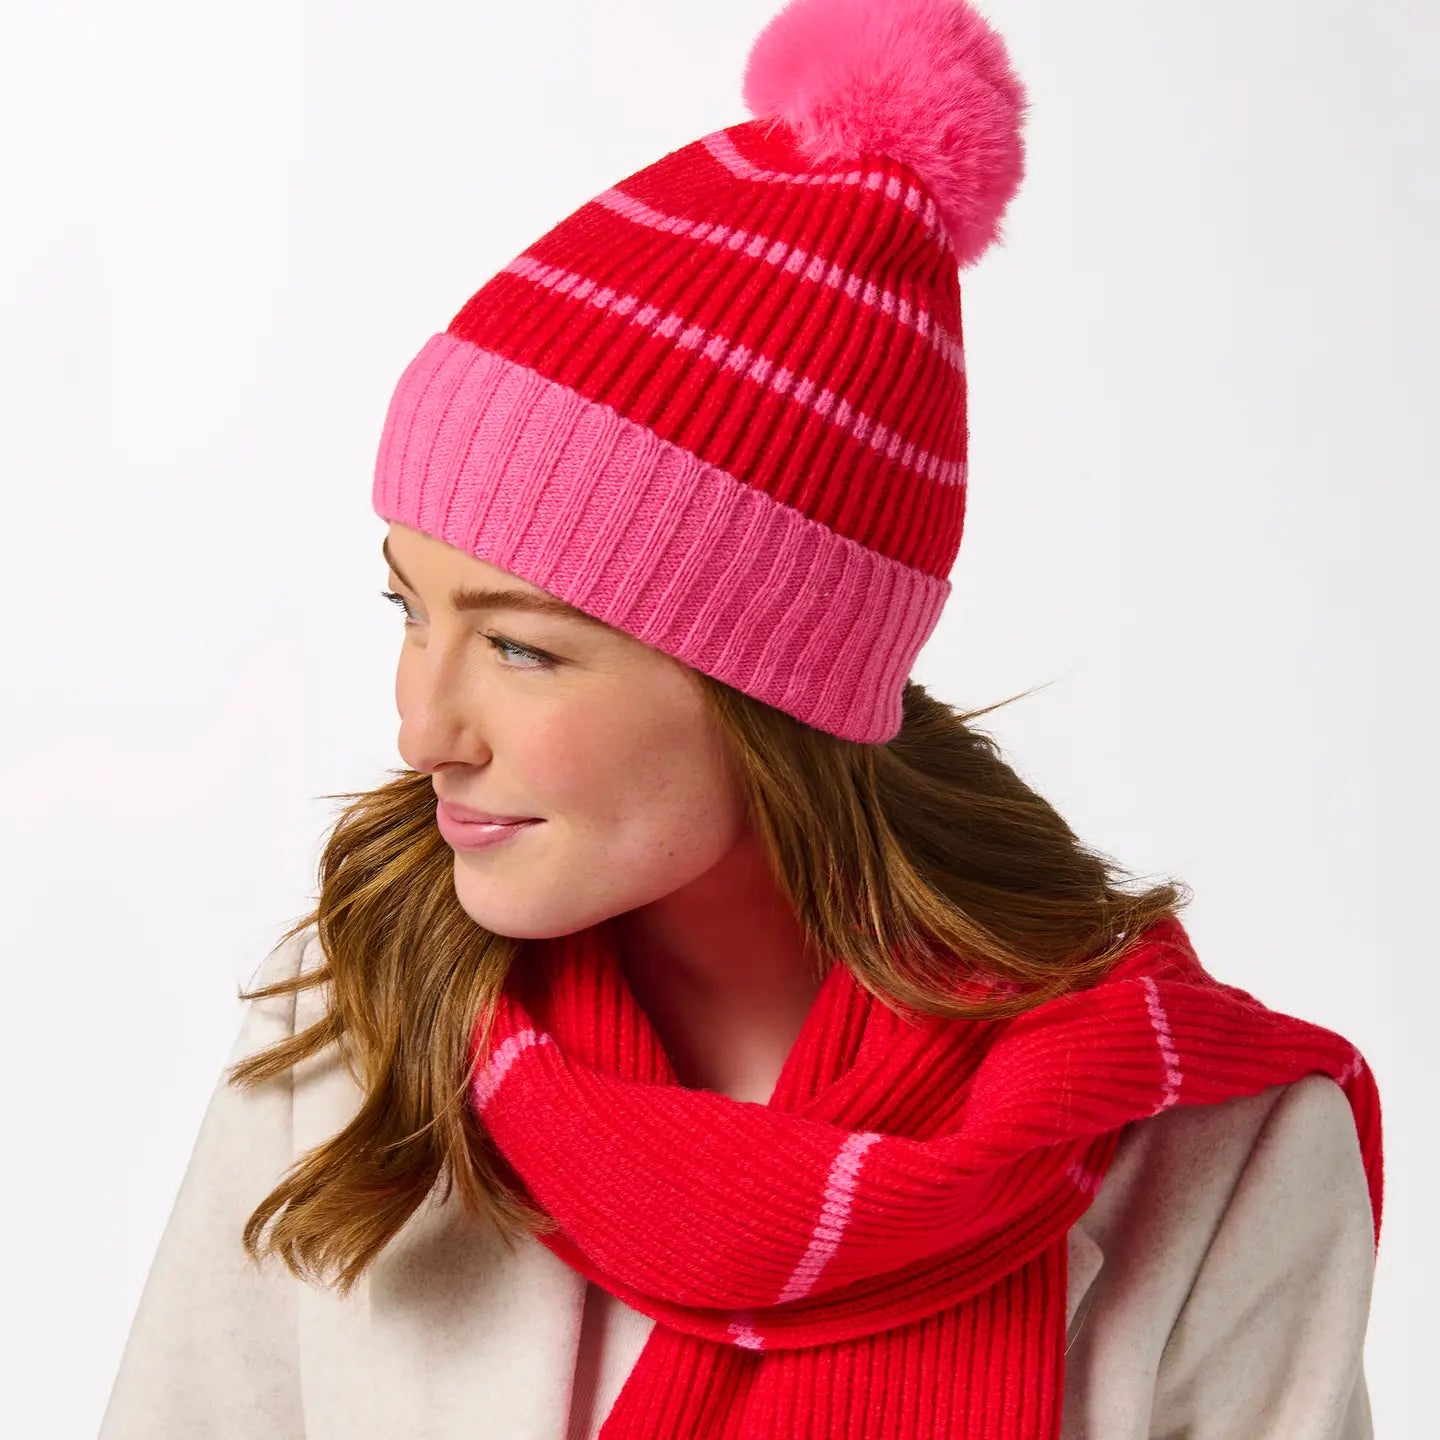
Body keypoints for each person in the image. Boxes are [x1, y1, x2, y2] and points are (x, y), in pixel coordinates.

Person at [97, 0, 1383, 1436]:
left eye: (520, 648)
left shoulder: (1211, 1165)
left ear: (776, 687)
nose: (424, 732)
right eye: (409, 608)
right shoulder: (353, 1037)